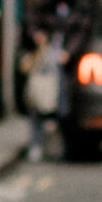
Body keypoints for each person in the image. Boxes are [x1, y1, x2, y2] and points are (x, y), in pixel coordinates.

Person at [19, 29, 63, 162]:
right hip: (35, 90)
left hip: (49, 90)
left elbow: (57, 64)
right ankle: (36, 146)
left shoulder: (52, 51)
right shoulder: (31, 51)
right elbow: (25, 68)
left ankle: (47, 147)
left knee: (49, 120)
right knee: (35, 119)